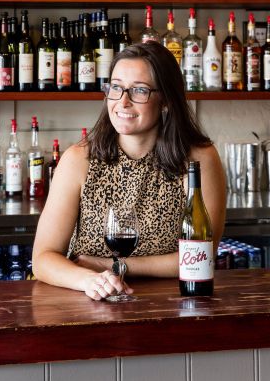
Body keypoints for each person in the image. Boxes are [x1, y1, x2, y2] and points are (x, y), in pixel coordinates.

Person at [32, 41, 226, 301]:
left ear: (166, 100)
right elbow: (43, 258)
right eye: (116, 87)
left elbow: (202, 256)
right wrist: (91, 280)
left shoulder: (198, 160)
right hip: (89, 305)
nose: (123, 102)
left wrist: (114, 266)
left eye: (139, 90)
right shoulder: (79, 160)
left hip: (173, 306)